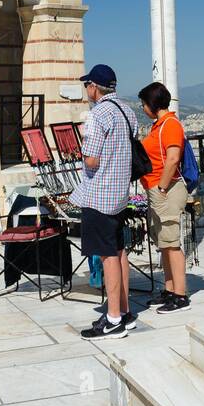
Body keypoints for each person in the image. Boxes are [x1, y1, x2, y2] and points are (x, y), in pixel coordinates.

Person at [71, 64, 137, 341]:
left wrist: (82, 152)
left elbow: (92, 159)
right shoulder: (127, 111)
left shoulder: (98, 115)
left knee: (107, 255)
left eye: (87, 85)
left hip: (99, 194)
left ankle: (112, 319)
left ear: (94, 87)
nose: (86, 90)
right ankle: (123, 310)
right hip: (121, 194)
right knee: (119, 251)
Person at [138, 81, 190, 313]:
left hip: (167, 190)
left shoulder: (170, 125)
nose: (142, 108)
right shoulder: (158, 125)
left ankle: (180, 295)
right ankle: (169, 290)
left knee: (172, 244)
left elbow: (172, 158)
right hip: (158, 189)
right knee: (164, 244)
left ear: (152, 103)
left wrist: (161, 187)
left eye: (143, 104)